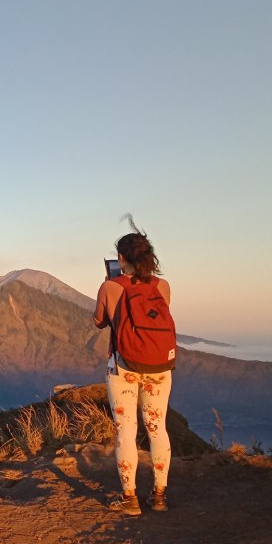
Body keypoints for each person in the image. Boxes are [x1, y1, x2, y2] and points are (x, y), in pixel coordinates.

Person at [92, 220, 175, 516]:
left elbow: (100, 321)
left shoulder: (111, 286)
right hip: (159, 367)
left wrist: (110, 284)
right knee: (157, 428)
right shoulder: (162, 286)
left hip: (123, 367)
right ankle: (160, 496)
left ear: (122, 258)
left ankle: (130, 499)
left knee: (126, 431)